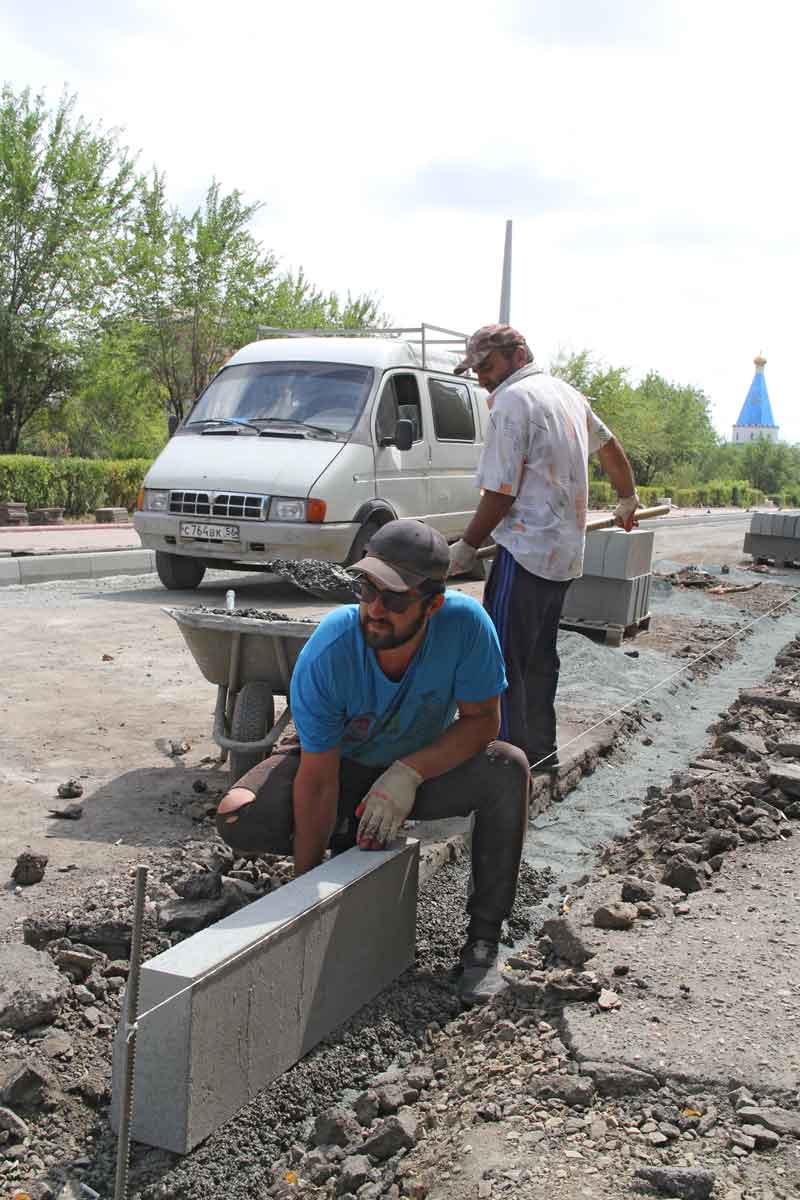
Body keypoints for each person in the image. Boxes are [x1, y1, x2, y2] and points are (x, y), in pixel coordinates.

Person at [215, 519, 530, 1005]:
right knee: (238, 810)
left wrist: (409, 772)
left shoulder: (466, 628)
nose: (376, 609)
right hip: (339, 768)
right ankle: (350, 838)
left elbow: (482, 721)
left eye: (396, 599)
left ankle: (483, 943)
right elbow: (318, 779)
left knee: (508, 770)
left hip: (416, 771)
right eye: (367, 589)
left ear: (433, 603)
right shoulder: (332, 648)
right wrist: (306, 896)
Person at [448, 324, 639, 774]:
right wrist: (627, 496)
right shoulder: (565, 393)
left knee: (502, 659)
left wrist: (468, 545)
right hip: (564, 552)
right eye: (476, 370)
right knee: (538, 656)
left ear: (518, 355)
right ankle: (540, 750)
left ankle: (507, 763)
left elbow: (500, 491)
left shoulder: (513, 403)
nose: (482, 379)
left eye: (488, 367)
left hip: (525, 550)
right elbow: (609, 447)